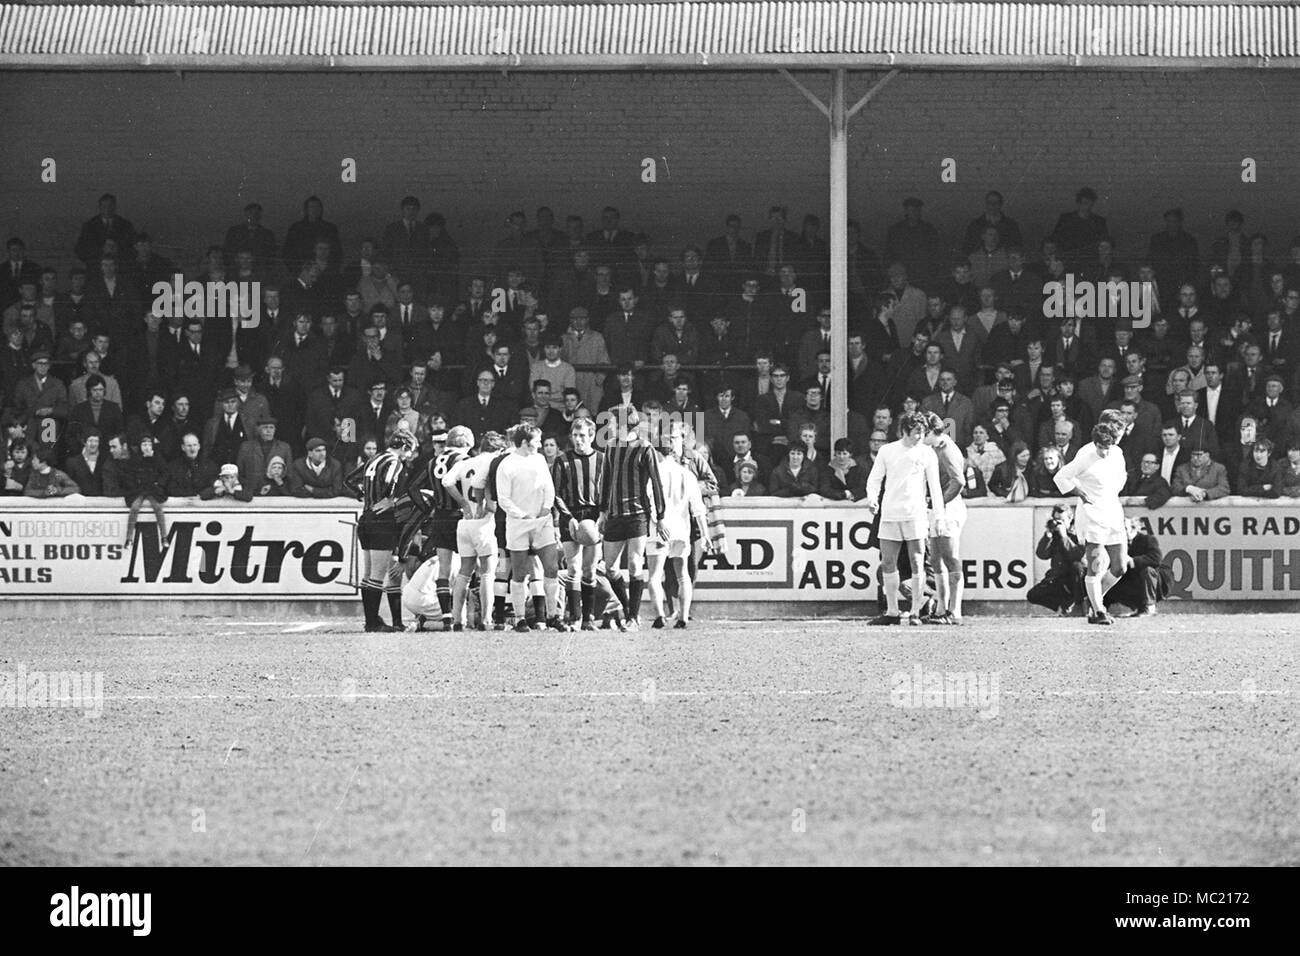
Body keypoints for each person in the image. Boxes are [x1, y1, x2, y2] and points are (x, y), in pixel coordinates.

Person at [864, 411, 946, 625]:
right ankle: (892, 611)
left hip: (916, 514)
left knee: (917, 561)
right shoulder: (887, 451)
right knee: (888, 562)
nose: (919, 436)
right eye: (916, 432)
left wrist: (939, 517)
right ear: (904, 431)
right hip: (890, 514)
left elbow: (935, 487)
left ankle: (916, 611)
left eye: (922, 432)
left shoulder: (927, 454)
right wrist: (872, 499)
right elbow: (874, 480)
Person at [1052, 420, 1130, 625]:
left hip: (1113, 513)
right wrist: (1079, 492)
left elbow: (1120, 481)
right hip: (1092, 515)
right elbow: (1061, 477)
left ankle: (1095, 600)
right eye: (1100, 447)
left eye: (1107, 447)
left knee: (1120, 567)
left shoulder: (1118, 454)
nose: (1103, 451)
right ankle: (1098, 611)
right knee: (1095, 565)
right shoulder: (1085, 456)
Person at [598, 405, 666, 629]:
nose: (610, 425)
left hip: (637, 514)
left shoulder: (645, 448)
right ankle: (628, 609)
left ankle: (633, 617)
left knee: (635, 564)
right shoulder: (611, 447)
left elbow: (656, 483)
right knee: (610, 568)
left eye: (613, 421)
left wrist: (661, 516)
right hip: (615, 515)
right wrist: (602, 512)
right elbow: (606, 481)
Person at [496, 422, 566, 632]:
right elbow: (503, 499)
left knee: (552, 568)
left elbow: (548, 486)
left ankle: (553, 615)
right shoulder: (506, 465)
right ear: (525, 442)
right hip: (518, 525)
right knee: (519, 573)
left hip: (541, 522)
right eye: (536, 441)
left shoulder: (539, 459)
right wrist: (522, 514)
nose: (540, 445)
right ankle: (519, 619)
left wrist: (546, 508)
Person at [345, 431, 418, 632]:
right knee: (377, 575)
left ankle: (372, 620)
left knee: (368, 574)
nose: (408, 456)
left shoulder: (373, 459)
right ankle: (372, 624)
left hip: (366, 518)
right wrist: (390, 499)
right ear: (404, 446)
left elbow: (349, 480)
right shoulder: (394, 461)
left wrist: (364, 495)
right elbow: (388, 479)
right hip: (382, 521)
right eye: (409, 451)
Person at [647, 425, 711, 629]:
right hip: (682, 530)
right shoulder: (686, 474)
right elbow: (698, 508)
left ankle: (659, 615)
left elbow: (649, 502)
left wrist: (657, 522)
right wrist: (706, 534)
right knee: (683, 574)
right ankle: (683, 616)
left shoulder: (654, 473)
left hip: (660, 529)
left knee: (655, 575)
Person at [442, 430, 506, 632]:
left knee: (464, 572)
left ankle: (457, 620)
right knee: (488, 572)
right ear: (498, 449)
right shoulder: (491, 462)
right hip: (483, 522)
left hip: (465, 522)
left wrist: (463, 503)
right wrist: (486, 504)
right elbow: (485, 487)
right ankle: (486, 619)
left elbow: (446, 481)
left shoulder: (465, 462)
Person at [551, 417, 606, 630]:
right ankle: (574, 617)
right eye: (575, 435)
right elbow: (555, 494)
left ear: (591, 436)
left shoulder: (602, 460)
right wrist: (568, 518)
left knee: (590, 570)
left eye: (582, 435)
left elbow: (607, 491)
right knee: (573, 568)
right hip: (570, 515)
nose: (578, 440)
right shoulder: (562, 460)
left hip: (594, 516)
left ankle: (588, 618)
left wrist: (602, 516)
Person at [922, 413, 968, 625]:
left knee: (950, 556)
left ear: (932, 431)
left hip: (949, 509)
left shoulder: (947, 449)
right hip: (938, 508)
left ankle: (955, 610)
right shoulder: (934, 448)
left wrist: (939, 503)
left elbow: (958, 481)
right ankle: (941, 608)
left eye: (924, 432)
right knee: (935, 559)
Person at [1105, 517, 1174, 618]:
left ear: (1133, 528)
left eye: (1124, 529)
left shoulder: (1148, 540)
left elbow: (1156, 558)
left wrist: (1132, 561)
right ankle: (1102, 608)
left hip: (1155, 582)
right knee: (1107, 575)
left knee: (1147, 570)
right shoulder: (1115, 543)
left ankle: (1149, 607)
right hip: (1132, 581)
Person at [1026, 504, 1086, 615]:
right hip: (1059, 577)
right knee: (1033, 595)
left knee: (1076, 567)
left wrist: (1064, 536)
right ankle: (1064, 605)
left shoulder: (1079, 533)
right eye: (1056, 520)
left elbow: (1077, 555)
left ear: (1070, 518)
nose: (1058, 524)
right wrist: (1048, 535)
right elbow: (1042, 554)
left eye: (1062, 520)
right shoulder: (1053, 535)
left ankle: (1079, 606)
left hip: (1077, 580)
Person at [120, 435, 169, 546]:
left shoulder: (157, 458)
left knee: (158, 508)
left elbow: (165, 472)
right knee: (134, 508)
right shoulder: (136, 459)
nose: (146, 447)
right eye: (144, 445)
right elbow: (130, 474)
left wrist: (158, 483)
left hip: (153, 489)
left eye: (149, 445)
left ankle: (164, 537)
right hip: (140, 489)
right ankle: (129, 538)